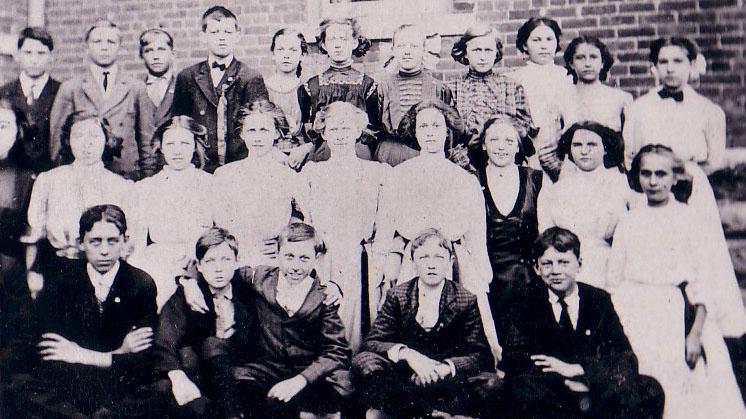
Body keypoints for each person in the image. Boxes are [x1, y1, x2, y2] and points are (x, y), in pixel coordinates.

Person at [608, 145, 746, 418]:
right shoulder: (629, 220)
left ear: (675, 176)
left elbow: (704, 281)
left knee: (686, 392)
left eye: (661, 173)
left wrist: (695, 334)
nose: (653, 181)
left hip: (678, 314)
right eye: (646, 174)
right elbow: (615, 278)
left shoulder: (688, 218)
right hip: (635, 311)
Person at [623, 37, 746, 340]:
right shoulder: (639, 109)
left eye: (678, 61)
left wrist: (683, 176)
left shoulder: (709, 110)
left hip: (692, 189)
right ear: (653, 67)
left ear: (692, 65)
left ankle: (706, 326)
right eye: (663, 62)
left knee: (698, 254)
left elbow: (714, 160)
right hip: (650, 187)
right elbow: (630, 156)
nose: (670, 69)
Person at [180, 222, 351, 418]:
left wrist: (302, 379)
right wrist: (189, 281)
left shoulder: (324, 295)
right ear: (277, 254)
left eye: (304, 258)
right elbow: (219, 268)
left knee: (337, 388)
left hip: (308, 370)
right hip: (269, 368)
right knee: (234, 381)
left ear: (316, 259)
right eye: (289, 256)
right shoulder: (260, 278)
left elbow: (337, 351)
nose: (295, 266)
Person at [6, 204, 157, 419]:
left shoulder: (141, 284)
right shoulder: (60, 284)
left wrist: (83, 354)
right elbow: (52, 351)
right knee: (22, 384)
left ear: (125, 241)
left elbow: (143, 359)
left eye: (112, 241)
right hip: (75, 381)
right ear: (81, 243)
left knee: (159, 389)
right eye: (95, 241)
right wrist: (119, 353)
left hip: (118, 382)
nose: (104, 250)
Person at [499, 227, 663, 419]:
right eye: (547, 264)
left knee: (649, 388)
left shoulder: (598, 299)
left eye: (563, 262)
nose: (556, 271)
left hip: (593, 389)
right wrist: (565, 380)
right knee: (520, 391)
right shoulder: (525, 303)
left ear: (579, 264)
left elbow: (626, 358)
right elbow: (516, 360)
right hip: (551, 395)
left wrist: (579, 371)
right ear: (536, 268)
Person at [375, 100, 498, 357]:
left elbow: (476, 233)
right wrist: (383, 266)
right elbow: (385, 226)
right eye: (423, 126)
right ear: (415, 132)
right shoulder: (398, 176)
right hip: (413, 261)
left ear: (447, 132)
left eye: (436, 126)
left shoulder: (464, 180)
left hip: (455, 260)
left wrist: (480, 274)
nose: (430, 132)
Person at [353, 228, 496, 419]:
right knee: (363, 362)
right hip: (406, 379)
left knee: (491, 383)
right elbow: (372, 342)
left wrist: (444, 368)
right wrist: (408, 355)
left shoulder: (465, 299)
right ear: (412, 262)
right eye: (424, 258)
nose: (431, 265)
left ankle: (432, 411)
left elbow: (480, 355)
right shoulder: (398, 295)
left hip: (446, 379)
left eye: (438, 258)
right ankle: (427, 414)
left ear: (450, 261)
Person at [301, 101, 389, 352]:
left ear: (357, 132)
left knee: (360, 325)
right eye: (334, 129)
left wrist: (380, 259)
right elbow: (307, 220)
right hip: (325, 258)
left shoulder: (376, 172)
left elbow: (384, 222)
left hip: (361, 258)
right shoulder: (312, 173)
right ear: (325, 133)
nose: (340, 136)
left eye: (346, 129)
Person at [23, 111, 134, 300]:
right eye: (78, 136)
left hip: (106, 272)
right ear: (68, 141)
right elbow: (34, 237)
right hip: (58, 269)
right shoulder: (48, 180)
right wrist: (32, 273)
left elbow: (129, 244)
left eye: (94, 135)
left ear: (106, 140)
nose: (86, 143)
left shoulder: (122, 186)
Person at [151, 227, 256, 418]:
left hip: (238, 371)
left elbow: (279, 277)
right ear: (198, 266)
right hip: (199, 373)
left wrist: (328, 287)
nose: (218, 268)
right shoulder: (188, 294)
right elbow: (164, 340)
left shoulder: (247, 289)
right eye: (210, 261)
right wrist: (177, 375)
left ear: (236, 262)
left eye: (226, 260)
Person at [49, 19, 156, 180]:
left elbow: (146, 142)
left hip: (124, 176)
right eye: (97, 41)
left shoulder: (136, 88)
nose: (104, 47)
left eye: (111, 42)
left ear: (120, 46)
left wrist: (147, 179)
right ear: (87, 46)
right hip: (81, 177)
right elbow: (57, 143)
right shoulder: (71, 88)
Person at [129, 116, 214, 310]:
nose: (177, 150)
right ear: (161, 147)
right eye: (170, 143)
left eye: (184, 143)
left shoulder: (211, 184)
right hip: (158, 262)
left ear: (195, 146)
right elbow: (137, 245)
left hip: (201, 260)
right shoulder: (145, 188)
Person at [172, 5, 269, 173]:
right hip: (199, 166)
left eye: (227, 32)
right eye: (215, 32)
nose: (222, 38)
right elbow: (180, 126)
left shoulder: (250, 77)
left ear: (238, 36)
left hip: (239, 165)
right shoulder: (187, 77)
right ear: (203, 37)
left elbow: (259, 125)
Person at [472, 116, 542, 344]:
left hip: (527, 277)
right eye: (493, 140)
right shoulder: (472, 180)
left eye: (509, 141)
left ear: (519, 145)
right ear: (483, 144)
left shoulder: (536, 179)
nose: (501, 147)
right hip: (485, 275)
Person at [537, 121, 631, 290]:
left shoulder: (622, 187)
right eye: (577, 145)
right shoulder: (555, 190)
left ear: (605, 149)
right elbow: (547, 236)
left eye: (592, 144)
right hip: (566, 269)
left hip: (608, 268)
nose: (584, 151)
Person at [212, 100, 307, 267]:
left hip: (275, 260)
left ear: (277, 133)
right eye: (251, 130)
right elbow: (220, 222)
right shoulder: (225, 174)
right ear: (242, 134)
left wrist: (284, 242)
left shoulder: (289, 176)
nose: (257, 138)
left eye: (264, 130)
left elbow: (309, 220)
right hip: (235, 259)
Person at [451, 22, 536, 168]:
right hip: (465, 164)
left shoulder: (511, 86)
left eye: (488, 50)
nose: (483, 57)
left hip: (504, 162)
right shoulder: (452, 89)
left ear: (496, 53)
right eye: (477, 50)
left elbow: (524, 128)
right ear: (465, 52)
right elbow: (448, 135)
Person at [298, 17, 380, 162]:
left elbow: (374, 126)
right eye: (332, 39)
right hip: (324, 149)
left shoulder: (367, 84)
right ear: (323, 44)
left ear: (354, 43)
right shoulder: (312, 85)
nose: (338, 45)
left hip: (358, 149)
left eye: (343, 39)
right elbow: (308, 126)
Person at [509, 17, 578, 182]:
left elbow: (572, 120)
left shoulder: (565, 77)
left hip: (558, 153)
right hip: (527, 152)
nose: (543, 45)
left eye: (549, 39)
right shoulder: (515, 79)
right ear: (525, 45)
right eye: (536, 40)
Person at [374, 24, 454, 167]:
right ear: (393, 50)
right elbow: (374, 127)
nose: (407, 52)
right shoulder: (382, 87)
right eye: (401, 46)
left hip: (426, 153)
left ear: (424, 50)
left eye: (414, 46)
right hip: (391, 154)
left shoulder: (438, 88)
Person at [0, 100, 37, 383]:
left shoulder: (27, 177)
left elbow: (30, 234)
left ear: (17, 132)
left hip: (11, 275)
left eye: (3, 126)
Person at [0, 27, 60, 174]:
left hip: (49, 174)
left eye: (41, 53)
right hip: (11, 176)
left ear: (51, 56)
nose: (34, 60)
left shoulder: (62, 92)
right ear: (18, 55)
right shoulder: (3, 93)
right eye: (28, 53)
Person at [266, 28, 314, 170]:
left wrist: (303, 150)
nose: (286, 55)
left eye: (293, 50)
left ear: (302, 55)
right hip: (268, 156)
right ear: (273, 54)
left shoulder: (308, 90)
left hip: (300, 158)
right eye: (281, 49)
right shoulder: (262, 89)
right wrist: (272, 152)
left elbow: (316, 135)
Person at [563, 36, 632, 132]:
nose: (587, 64)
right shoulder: (562, 99)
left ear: (602, 63)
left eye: (593, 57)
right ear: (571, 63)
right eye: (580, 58)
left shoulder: (620, 99)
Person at [139, 28, 177, 130]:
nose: (156, 56)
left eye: (161, 50)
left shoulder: (182, 85)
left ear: (172, 53)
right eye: (149, 51)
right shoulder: (136, 89)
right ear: (141, 56)